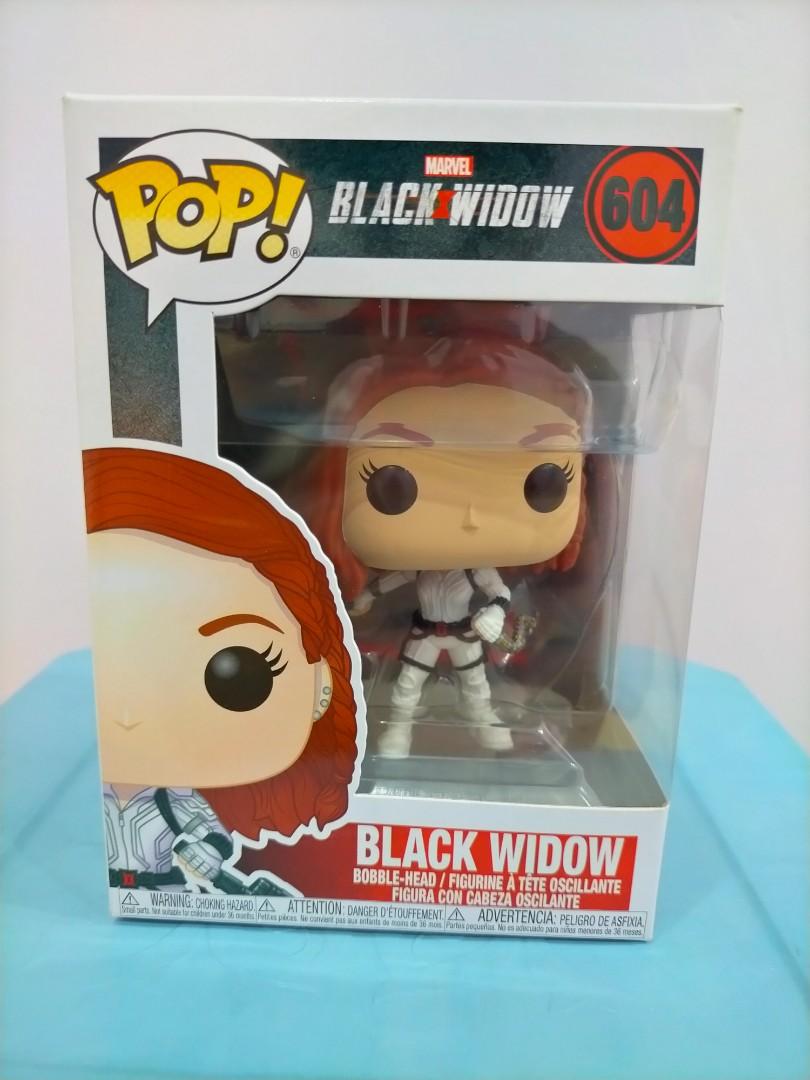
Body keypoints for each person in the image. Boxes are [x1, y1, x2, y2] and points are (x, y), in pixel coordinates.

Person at [84, 447, 359, 890]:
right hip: (104, 892)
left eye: (238, 676)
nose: (130, 716)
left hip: (167, 890)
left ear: (320, 684)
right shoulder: (85, 790)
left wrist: (208, 854)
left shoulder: (173, 800)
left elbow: (213, 834)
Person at [304, 334, 590, 758]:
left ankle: (485, 725)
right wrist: (366, 596)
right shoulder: (421, 568)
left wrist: (495, 613)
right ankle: (397, 732)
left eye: (544, 484)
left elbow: (499, 593)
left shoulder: (477, 572)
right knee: (406, 687)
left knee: (475, 687)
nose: (470, 517)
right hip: (424, 632)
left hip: (464, 635)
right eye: (392, 486)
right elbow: (394, 581)